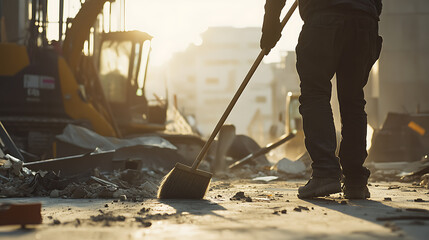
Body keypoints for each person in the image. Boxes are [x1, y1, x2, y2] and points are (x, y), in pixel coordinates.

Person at [260, 0, 383, 199]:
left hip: (325, 17)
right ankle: (355, 181)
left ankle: (326, 173)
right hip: (364, 20)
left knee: (315, 94)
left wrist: (270, 27)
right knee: (353, 99)